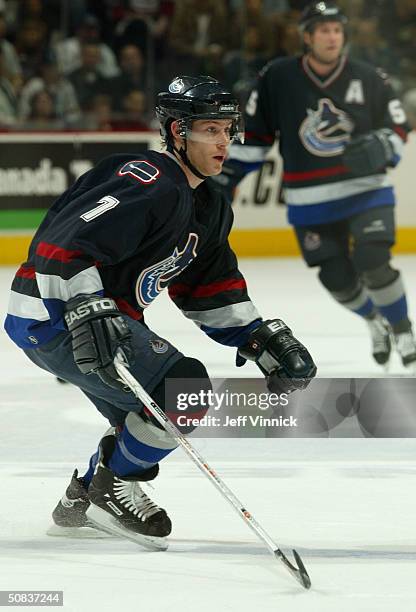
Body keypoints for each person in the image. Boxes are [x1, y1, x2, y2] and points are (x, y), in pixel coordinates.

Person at [4, 76, 316, 549]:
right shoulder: (146, 178)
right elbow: (61, 245)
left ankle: (84, 496)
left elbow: (210, 287)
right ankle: (110, 488)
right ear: (176, 132)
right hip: (54, 313)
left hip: (82, 321)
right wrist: (86, 306)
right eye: (210, 129)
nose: (223, 142)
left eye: (228, 130)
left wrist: (258, 338)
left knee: (146, 416)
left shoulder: (208, 204)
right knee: (183, 388)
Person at [214, 1, 416, 369]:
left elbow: (400, 125)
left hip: (366, 191)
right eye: (323, 30)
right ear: (307, 37)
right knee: (336, 277)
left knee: (373, 261)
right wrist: (227, 178)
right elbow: (257, 138)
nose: (331, 36)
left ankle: (403, 328)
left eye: (337, 30)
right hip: (310, 202)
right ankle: (375, 321)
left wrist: (386, 144)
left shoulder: (369, 77)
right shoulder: (277, 77)